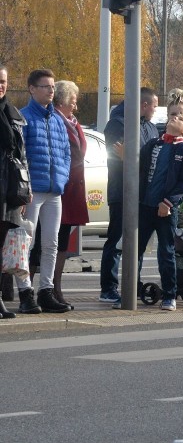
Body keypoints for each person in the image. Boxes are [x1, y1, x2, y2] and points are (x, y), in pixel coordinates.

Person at [98, 87, 159, 304]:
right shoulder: (118, 124)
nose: (155, 109)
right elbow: (123, 156)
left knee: (138, 243)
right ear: (143, 105)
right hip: (122, 192)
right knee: (116, 240)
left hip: (144, 193)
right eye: (154, 105)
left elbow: (151, 157)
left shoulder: (150, 128)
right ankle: (109, 287)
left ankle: (134, 284)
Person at [19, 69, 71, 313]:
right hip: (33, 191)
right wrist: (24, 188)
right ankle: (25, 292)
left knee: (51, 242)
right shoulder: (25, 117)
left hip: (54, 191)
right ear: (31, 88)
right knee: (25, 242)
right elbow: (20, 156)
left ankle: (46, 291)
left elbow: (65, 154)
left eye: (52, 87)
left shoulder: (58, 119)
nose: (51, 90)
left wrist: (62, 177)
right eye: (45, 86)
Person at [136, 106, 183, 311]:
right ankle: (132, 289)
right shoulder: (154, 144)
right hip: (145, 205)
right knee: (136, 249)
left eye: (181, 118)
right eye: (173, 116)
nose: (175, 118)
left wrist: (168, 202)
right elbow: (139, 168)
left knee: (166, 251)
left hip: (166, 209)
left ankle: (170, 294)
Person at [0, 64, 36, 317]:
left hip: (9, 190)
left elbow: (21, 154)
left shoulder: (11, 113)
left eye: (3, 81)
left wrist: (26, 188)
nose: (1, 85)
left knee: (2, 246)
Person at [52, 80, 89, 309]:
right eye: (73, 101)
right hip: (60, 187)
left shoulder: (74, 123)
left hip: (74, 187)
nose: (75, 107)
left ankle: (56, 286)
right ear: (64, 100)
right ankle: (40, 288)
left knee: (63, 239)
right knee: (47, 239)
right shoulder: (56, 120)